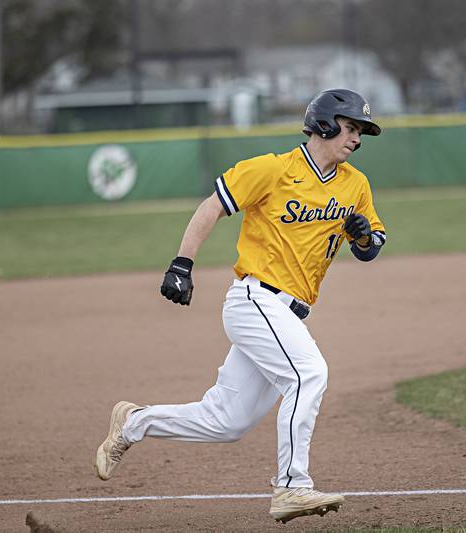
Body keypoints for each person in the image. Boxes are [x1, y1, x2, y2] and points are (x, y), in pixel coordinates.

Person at [94, 89, 387, 523]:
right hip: (254, 299)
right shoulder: (271, 170)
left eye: (361, 132)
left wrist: (363, 235)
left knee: (226, 421)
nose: (357, 139)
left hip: (287, 314)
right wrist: (182, 263)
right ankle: (292, 487)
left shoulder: (355, 185)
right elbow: (212, 207)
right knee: (309, 374)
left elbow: (371, 247)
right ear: (324, 124)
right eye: (350, 127)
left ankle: (134, 423)